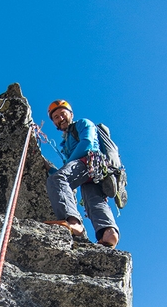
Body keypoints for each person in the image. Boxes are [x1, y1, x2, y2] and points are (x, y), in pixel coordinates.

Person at [45, 99, 119, 248]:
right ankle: (108, 234)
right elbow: (69, 166)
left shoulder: (82, 124)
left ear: (71, 114)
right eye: (56, 117)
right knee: (93, 202)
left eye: (62, 114)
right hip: (93, 171)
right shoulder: (66, 143)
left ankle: (73, 222)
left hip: (90, 161)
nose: (60, 119)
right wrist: (47, 166)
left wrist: (60, 171)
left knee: (58, 179)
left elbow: (87, 143)